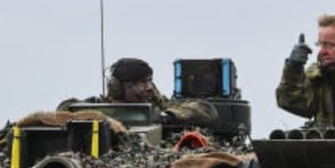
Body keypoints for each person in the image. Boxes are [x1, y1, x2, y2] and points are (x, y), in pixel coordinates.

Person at [60, 57, 219, 126]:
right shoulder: (101, 108)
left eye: (149, 81)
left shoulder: (159, 107)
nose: (149, 87)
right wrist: (87, 111)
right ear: (119, 87)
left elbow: (207, 109)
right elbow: (63, 109)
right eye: (142, 83)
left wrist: (166, 117)